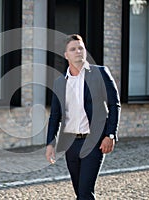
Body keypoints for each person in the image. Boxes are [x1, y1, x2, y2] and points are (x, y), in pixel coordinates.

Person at [45, 34, 121, 199]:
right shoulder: (60, 82)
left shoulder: (100, 73)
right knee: (80, 192)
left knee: (85, 192)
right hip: (70, 144)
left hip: (93, 142)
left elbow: (114, 105)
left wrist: (110, 134)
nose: (78, 51)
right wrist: (50, 143)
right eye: (73, 49)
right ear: (66, 55)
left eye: (81, 48)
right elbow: (55, 115)